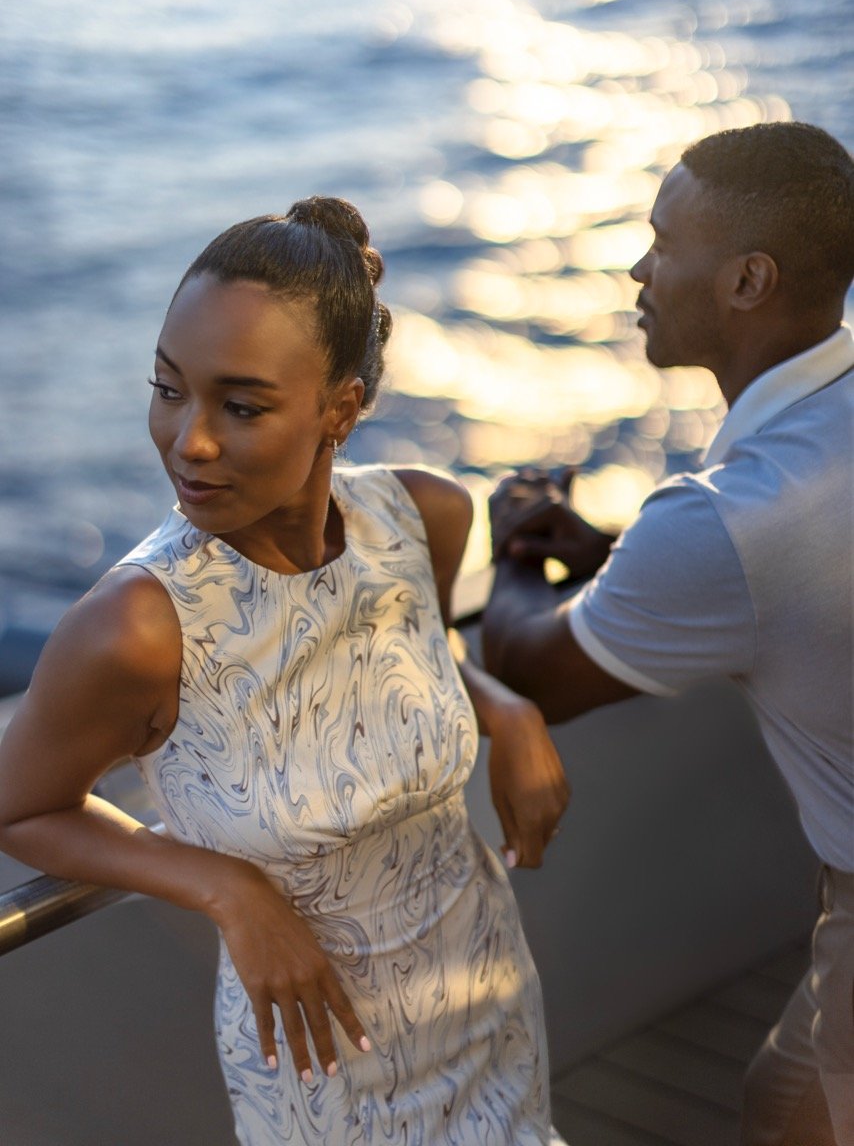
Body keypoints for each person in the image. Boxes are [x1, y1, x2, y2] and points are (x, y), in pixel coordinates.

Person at [0, 198, 570, 1146]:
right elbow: (20, 808)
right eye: (168, 388)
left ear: (341, 408)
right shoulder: (137, 627)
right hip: (320, 1060)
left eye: (243, 405)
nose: (191, 440)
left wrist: (502, 708)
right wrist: (229, 889)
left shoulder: (420, 517)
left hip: (486, 987)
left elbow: (404, 660)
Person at [481, 121, 854, 1146]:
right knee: (780, 1104)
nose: (635, 268)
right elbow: (792, 585)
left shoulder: (728, 517)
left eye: (659, 241)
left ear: (745, 279)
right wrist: (613, 552)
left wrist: (512, 541)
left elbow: (527, 668)